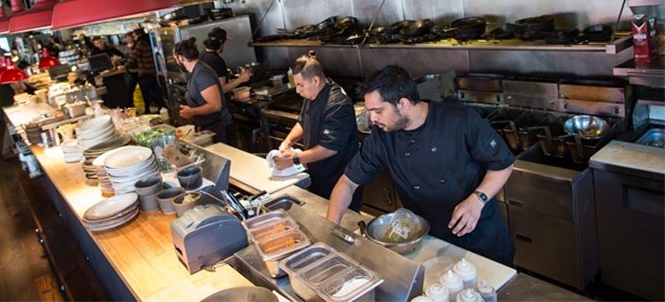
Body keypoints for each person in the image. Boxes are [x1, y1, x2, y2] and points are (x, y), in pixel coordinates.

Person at [326, 66, 515, 265]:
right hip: (428, 241)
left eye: (378, 111)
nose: (372, 119)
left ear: (403, 104)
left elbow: (503, 164)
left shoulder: (460, 120)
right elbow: (347, 182)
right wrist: (330, 232)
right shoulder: (382, 138)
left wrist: (478, 200)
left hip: (479, 236)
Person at [273, 51, 363, 210]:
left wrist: (295, 158)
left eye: (300, 85)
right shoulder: (312, 94)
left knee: (344, 222)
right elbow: (303, 121)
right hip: (319, 173)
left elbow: (330, 148)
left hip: (339, 177)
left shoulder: (337, 104)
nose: (297, 90)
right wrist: (288, 141)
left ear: (315, 80)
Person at [173, 37, 232, 143]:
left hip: (218, 127)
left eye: (175, 59)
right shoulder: (194, 72)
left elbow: (215, 106)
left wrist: (192, 111)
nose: (176, 62)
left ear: (181, 58)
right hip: (208, 127)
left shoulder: (202, 74)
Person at [200, 27, 251, 93]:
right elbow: (222, 89)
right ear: (221, 43)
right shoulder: (217, 61)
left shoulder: (202, 53)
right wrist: (241, 79)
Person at [127, 29, 164, 114]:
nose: (133, 37)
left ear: (138, 35)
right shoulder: (149, 40)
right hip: (154, 71)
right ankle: (161, 109)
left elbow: (133, 57)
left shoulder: (140, 44)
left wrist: (125, 66)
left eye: (134, 35)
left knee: (146, 94)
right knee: (158, 92)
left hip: (146, 73)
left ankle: (148, 111)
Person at [123, 31, 139, 108]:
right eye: (126, 38)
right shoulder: (125, 47)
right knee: (130, 88)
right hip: (131, 70)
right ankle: (131, 105)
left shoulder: (137, 45)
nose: (128, 39)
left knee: (144, 89)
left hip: (139, 69)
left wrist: (125, 66)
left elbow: (133, 57)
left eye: (129, 37)